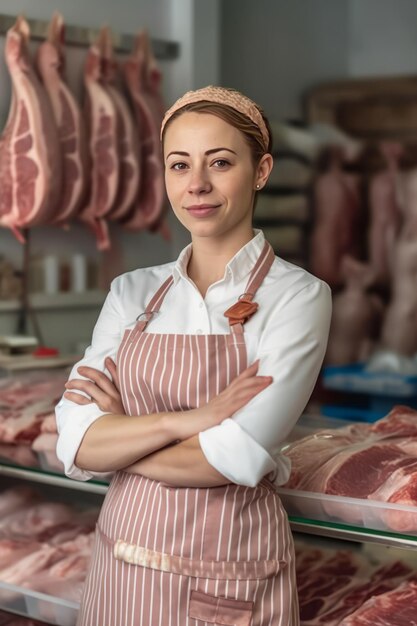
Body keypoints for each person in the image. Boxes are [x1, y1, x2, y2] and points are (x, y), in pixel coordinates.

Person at [56, 85, 332, 626]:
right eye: (179, 165)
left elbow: (232, 457)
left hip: (229, 573)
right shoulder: (131, 293)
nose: (197, 185)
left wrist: (121, 438)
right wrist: (188, 422)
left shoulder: (299, 296)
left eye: (220, 162)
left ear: (262, 170)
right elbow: (74, 439)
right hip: (121, 562)